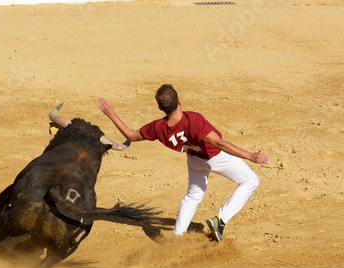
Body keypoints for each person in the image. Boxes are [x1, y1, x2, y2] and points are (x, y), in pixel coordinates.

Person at [97, 84, 268, 242]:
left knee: (193, 196)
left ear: (160, 108)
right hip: (215, 157)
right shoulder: (192, 120)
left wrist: (111, 114)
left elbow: (131, 136)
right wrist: (249, 155)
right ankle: (221, 219)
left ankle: (177, 236)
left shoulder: (158, 128)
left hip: (194, 160)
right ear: (179, 101)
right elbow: (219, 144)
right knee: (251, 180)